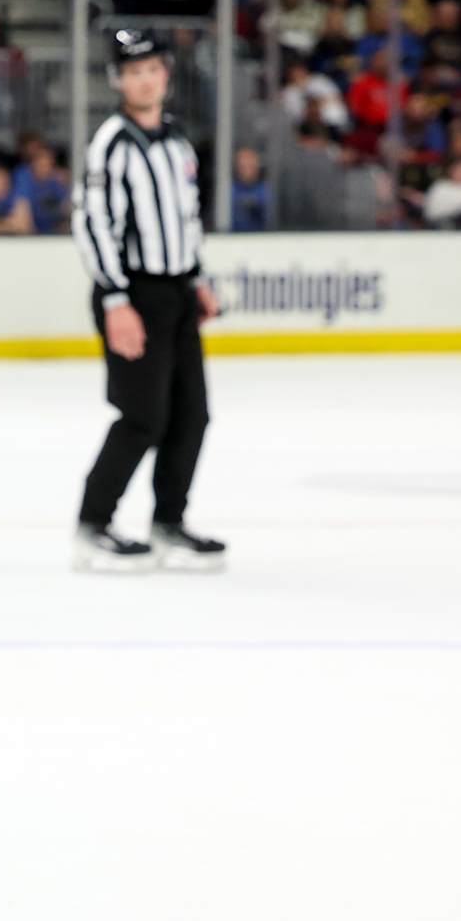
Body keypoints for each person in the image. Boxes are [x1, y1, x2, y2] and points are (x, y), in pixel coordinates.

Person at [69, 29, 224, 572]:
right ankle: (93, 525)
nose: (144, 79)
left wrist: (199, 278)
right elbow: (92, 224)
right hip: (134, 292)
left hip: (177, 291)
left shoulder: (178, 142)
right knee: (142, 416)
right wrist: (116, 301)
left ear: (166, 75)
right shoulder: (111, 142)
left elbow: (187, 218)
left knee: (192, 415)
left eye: (153, 69)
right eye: (133, 71)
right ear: (118, 80)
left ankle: (168, 523)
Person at [230, 146, 271, 232]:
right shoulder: (229, 191)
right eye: (243, 166)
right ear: (237, 168)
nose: (247, 170)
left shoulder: (265, 191)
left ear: (257, 167)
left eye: (250, 166)